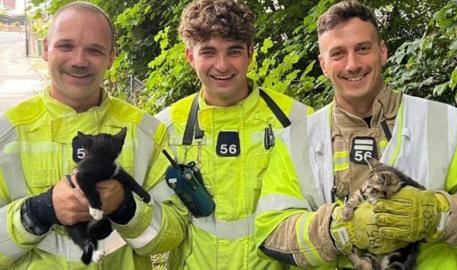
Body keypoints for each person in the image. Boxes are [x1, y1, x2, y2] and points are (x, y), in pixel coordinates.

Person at [255, 1, 457, 269]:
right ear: (323, 64)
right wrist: (339, 229)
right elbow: (271, 232)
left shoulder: (449, 123)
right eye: (338, 54)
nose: (353, 64)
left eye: (363, 49)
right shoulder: (295, 141)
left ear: (382, 52)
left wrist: (435, 214)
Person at [0, 2, 167, 269]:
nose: (79, 61)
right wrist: (38, 211)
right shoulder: (4, 132)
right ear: (46, 49)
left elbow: (171, 235)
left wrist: (126, 208)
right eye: (66, 46)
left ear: (112, 57)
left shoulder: (147, 130)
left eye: (94, 50)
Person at [153, 0, 312, 268]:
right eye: (209, 52)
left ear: (250, 53)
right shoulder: (166, 128)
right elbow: (161, 224)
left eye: (234, 51)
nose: (222, 65)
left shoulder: (297, 121)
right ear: (190, 57)